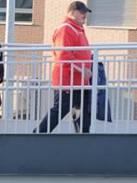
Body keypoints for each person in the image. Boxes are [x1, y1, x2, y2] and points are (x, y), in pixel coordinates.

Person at [35, 1, 93, 134]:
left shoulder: (78, 29)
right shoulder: (66, 28)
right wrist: (82, 69)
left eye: (85, 12)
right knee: (61, 109)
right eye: (82, 12)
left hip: (79, 82)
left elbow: (79, 52)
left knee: (84, 112)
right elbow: (63, 54)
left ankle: (83, 138)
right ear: (72, 12)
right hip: (67, 81)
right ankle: (38, 134)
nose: (85, 15)